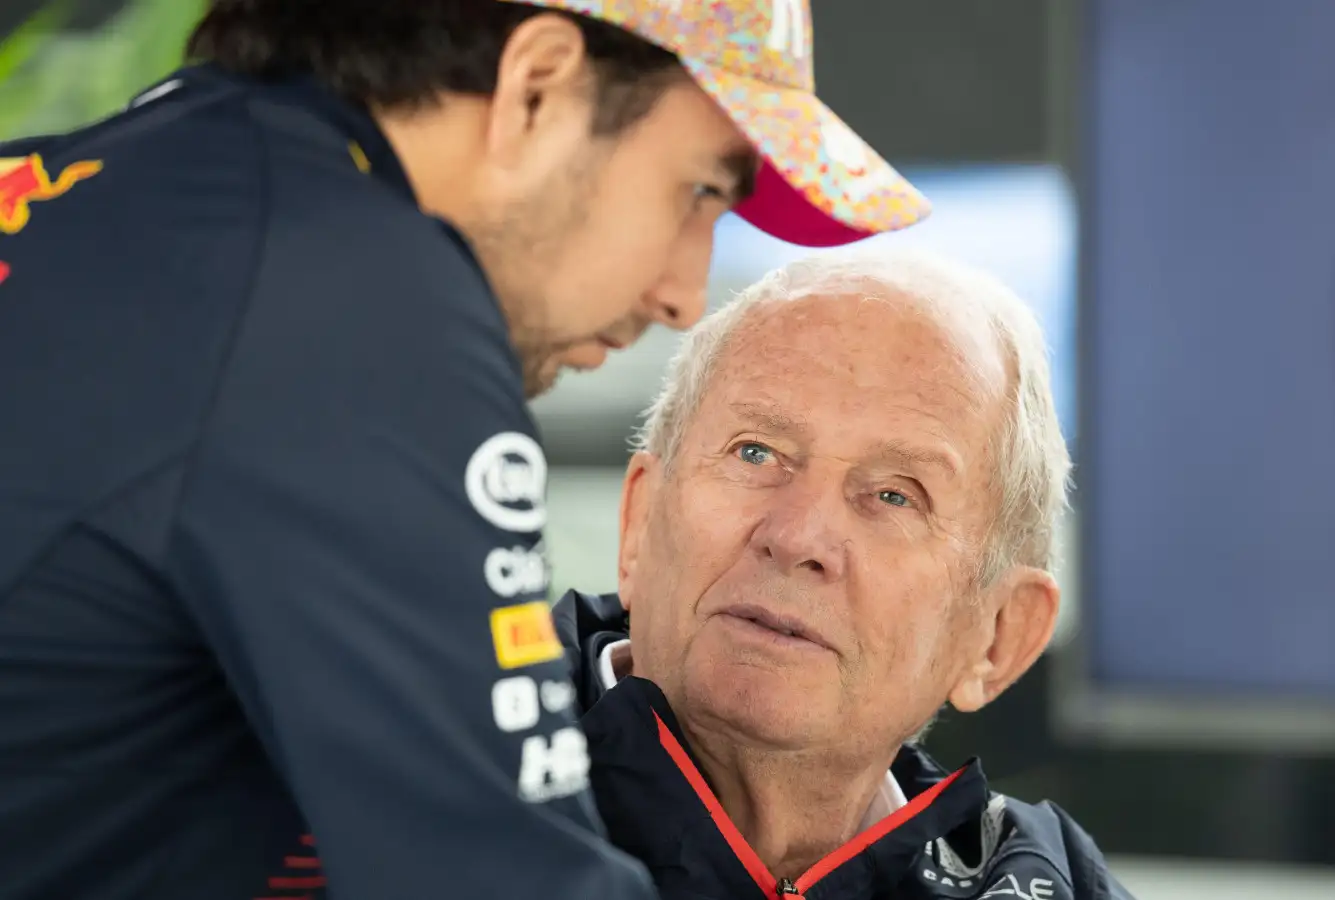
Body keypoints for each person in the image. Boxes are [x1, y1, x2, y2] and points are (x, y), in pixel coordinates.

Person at [0, 1, 927, 897]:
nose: (685, 295)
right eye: (698, 191)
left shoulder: (123, 189)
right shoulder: (351, 303)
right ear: (536, 87)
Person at [554, 249, 1135, 900]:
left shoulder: (1054, 885)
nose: (797, 538)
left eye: (894, 496)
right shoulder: (450, 772)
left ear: (998, 637)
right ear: (638, 523)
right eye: (756, 452)